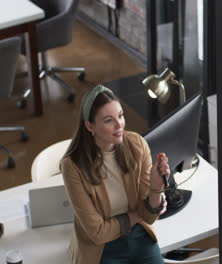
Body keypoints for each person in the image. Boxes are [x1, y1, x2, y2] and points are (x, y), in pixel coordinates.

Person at [61, 84, 169, 264]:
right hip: (101, 248)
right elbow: (97, 233)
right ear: (89, 126)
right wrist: (133, 216)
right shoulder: (72, 167)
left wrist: (156, 188)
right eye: (108, 120)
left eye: (120, 115)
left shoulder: (137, 145)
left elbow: (148, 217)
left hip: (138, 234)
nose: (120, 125)